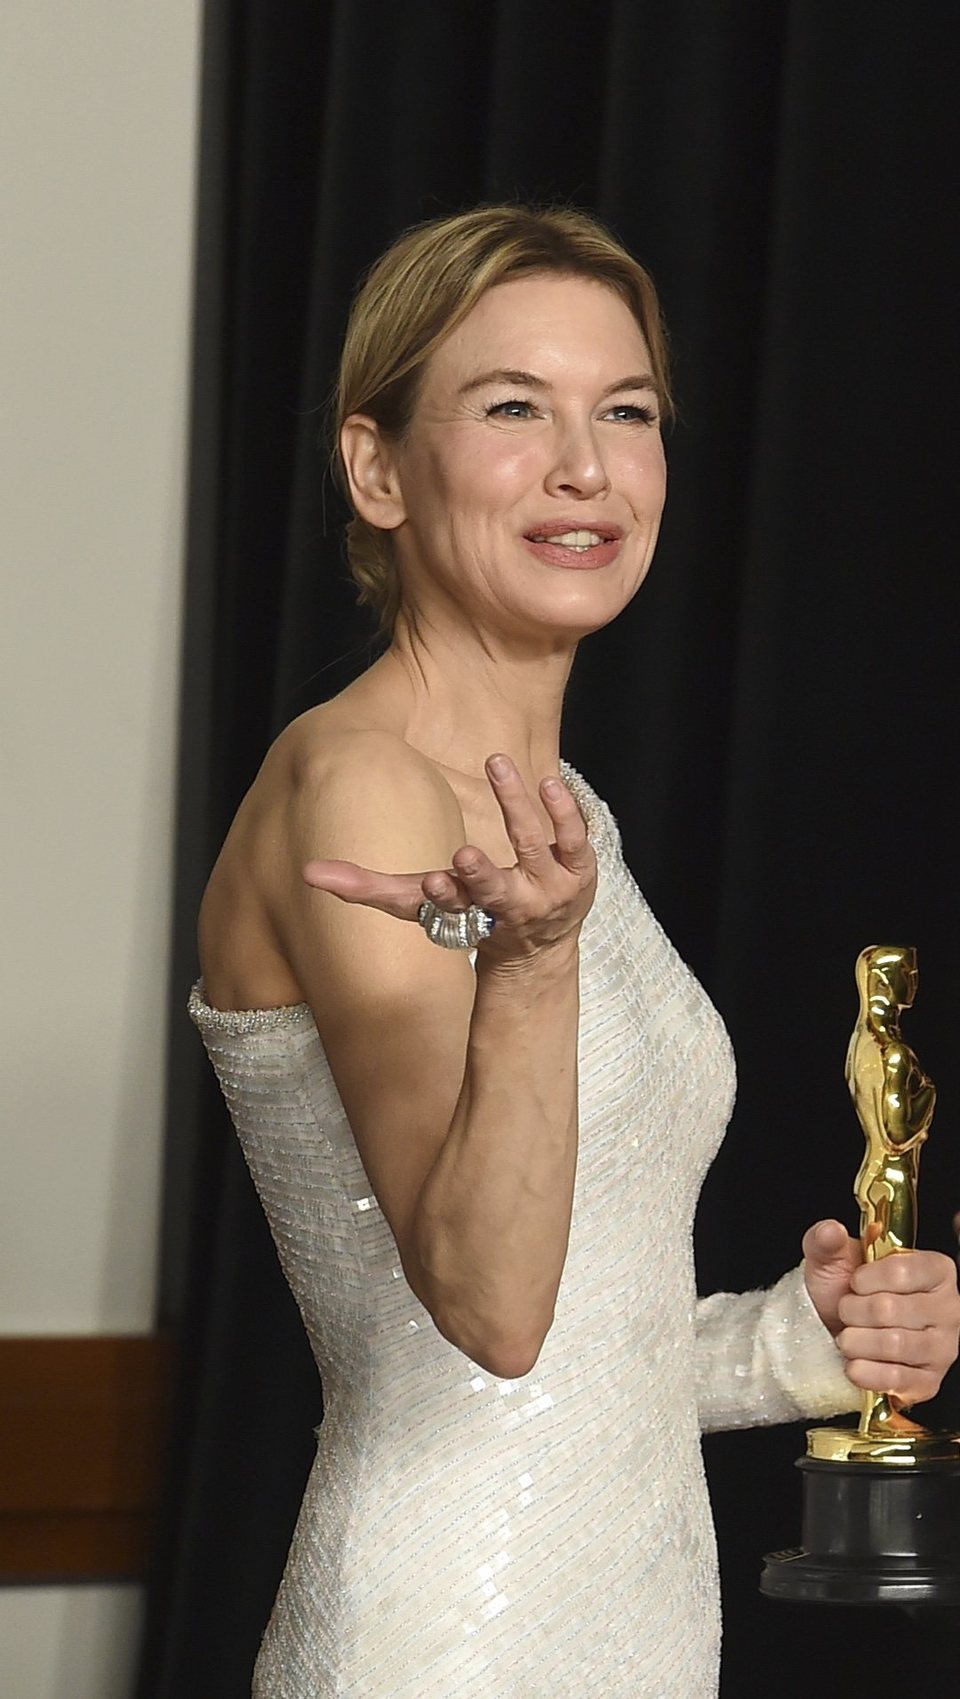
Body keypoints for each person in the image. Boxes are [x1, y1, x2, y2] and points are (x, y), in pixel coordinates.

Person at [189, 205, 960, 1698]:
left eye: (627, 412)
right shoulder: (357, 785)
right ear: (377, 469)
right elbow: (485, 1311)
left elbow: (585, 1355)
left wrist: (805, 1340)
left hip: (633, 1619)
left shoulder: (556, 820)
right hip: (449, 1635)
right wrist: (534, 969)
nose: (586, 469)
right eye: (512, 410)